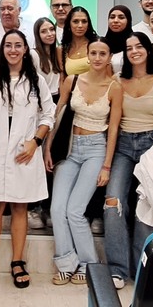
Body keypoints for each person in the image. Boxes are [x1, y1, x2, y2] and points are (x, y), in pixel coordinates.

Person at [0, 31, 54, 288]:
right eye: (8, 45)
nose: (13, 50)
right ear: (2, 49)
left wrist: (36, 142)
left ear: (25, 49)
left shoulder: (36, 80)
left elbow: (48, 115)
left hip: (24, 151)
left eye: (18, 45)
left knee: (20, 207)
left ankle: (18, 261)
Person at [45, 37, 122, 286]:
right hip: (69, 148)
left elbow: (113, 130)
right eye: (94, 53)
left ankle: (89, 263)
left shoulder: (115, 87)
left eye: (103, 53)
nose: (98, 58)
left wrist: (107, 165)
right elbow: (57, 115)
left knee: (75, 210)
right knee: (57, 209)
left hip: (96, 149)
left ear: (110, 57)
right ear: (87, 55)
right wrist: (48, 148)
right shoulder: (73, 80)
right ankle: (66, 262)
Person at [103, 31, 153, 288]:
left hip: (152, 144)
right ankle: (118, 269)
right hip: (123, 144)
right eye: (129, 47)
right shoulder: (118, 81)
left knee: (146, 207)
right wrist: (107, 163)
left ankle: (143, 268)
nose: (134, 51)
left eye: (139, 46)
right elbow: (113, 124)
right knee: (113, 203)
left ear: (147, 49)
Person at [58, 5, 96, 77]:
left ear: (88, 25)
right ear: (69, 24)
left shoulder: (96, 45)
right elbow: (62, 79)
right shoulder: (62, 50)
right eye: (75, 21)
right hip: (72, 88)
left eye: (84, 21)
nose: (80, 25)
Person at [32, 17, 63, 101]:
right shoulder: (33, 54)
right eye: (43, 31)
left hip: (58, 97)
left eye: (52, 29)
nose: (50, 34)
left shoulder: (58, 52)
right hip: (42, 99)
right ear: (38, 35)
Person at [103, 4, 133, 74]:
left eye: (121, 17)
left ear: (128, 20)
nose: (115, 20)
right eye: (112, 17)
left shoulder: (134, 44)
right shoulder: (102, 44)